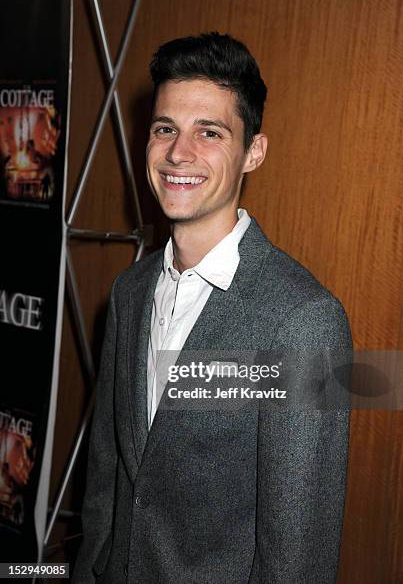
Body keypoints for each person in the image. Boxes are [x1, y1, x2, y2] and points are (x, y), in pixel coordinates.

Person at [72, 32, 352, 584]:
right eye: (165, 129)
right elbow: (107, 486)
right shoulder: (129, 294)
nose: (179, 153)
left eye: (210, 132)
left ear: (254, 151)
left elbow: (298, 558)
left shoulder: (304, 322)